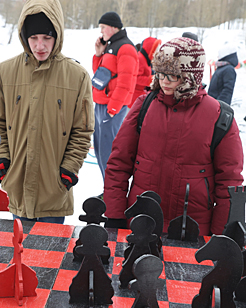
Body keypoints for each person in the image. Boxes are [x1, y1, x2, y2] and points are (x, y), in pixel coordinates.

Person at [103, 37, 244, 236]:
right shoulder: (144, 106)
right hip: (141, 227)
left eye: (173, 75)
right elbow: (119, 163)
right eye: (160, 74)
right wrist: (114, 215)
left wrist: (222, 235)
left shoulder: (220, 117)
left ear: (191, 76)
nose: (164, 82)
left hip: (193, 231)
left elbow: (229, 182)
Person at [0, 0, 94, 224]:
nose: (40, 46)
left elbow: (82, 130)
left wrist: (68, 172)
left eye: (46, 37)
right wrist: (2, 162)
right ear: (24, 37)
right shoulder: (4, 72)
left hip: (54, 191)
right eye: (33, 38)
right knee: (19, 254)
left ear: (58, 35)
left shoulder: (77, 76)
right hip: (17, 187)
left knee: (48, 256)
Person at [92, 11, 138, 197]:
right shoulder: (111, 46)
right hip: (101, 105)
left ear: (113, 27)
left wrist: (113, 108)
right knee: (100, 152)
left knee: (109, 153)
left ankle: (115, 193)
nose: (101, 31)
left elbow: (127, 82)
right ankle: (108, 189)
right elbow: (101, 75)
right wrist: (98, 54)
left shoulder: (126, 48)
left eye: (103, 27)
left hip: (112, 108)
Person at [129, 37, 161, 107]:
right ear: (150, 48)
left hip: (140, 94)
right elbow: (135, 78)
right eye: (156, 49)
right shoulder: (140, 59)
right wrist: (150, 80)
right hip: (135, 96)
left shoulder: (146, 59)